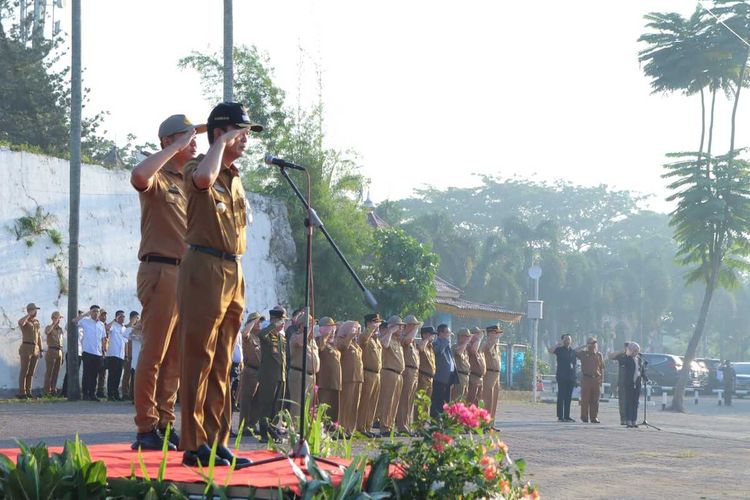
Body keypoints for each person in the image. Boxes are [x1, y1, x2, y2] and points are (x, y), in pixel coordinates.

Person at [177, 102, 262, 468]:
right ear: (219, 134)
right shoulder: (198, 166)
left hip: (233, 270)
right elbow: (202, 181)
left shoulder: (237, 177)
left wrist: (226, 142)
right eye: (238, 132)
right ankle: (194, 445)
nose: (245, 139)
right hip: (204, 264)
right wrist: (217, 142)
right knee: (200, 357)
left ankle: (218, 440)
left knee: (225, 361)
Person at [131, 114, 202, 451]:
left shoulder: (190, 180)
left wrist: (200, 131)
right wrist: (175, 144)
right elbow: (139, 175)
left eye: (193, 137)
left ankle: (164, 422)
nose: (193, 142)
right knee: (155, 352)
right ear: (167, 142)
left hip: (186, 275)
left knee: (175, 357)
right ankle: (145, 426)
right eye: (185, 137)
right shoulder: (158, 177)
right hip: (160, 271)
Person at [251, 307, 288, 441]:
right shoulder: (268, 335)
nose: (283, 323)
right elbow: (260, 335)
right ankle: (264, 431)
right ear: (274, 320)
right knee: (266, 404)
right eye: (281, 320)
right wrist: (273, 325)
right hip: (268, 376)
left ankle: (272, 429)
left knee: (276, 406)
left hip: (280, 376)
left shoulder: (281, 338)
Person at [375, 315, 405, 436]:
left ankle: (390, 425)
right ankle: (384, 427)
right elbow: (384, 344)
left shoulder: (398, 341)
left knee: (394, 402)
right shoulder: (387, 337)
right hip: (389, 373)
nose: (402, 329)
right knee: (387, 401)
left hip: (398, 375)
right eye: (399, 326)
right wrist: (390, 331)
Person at [287, 312, 318, 428]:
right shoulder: (296, 336)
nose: (312, 327)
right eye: (310, 324)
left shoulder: (312, 340)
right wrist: (307, 329)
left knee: (308, 406)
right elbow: (300, 342)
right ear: (301, 326)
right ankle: (295, 430)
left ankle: (304, 429)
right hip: (299, 374)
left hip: (311, 376)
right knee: (297, 405)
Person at [356, 313, 383, 436]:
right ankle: (361, 427)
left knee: (373, 402)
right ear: (368, 324)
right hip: (367, 372)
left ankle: (368, 426)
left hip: (377, 374)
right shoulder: (364, 337)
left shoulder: (376, 340)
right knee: (365, 402)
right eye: (375, 323)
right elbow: (363, 339)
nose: (378, 326)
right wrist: (371, 328)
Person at [396, 315, 421, 435]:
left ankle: (407, 424)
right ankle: (401, 425)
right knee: (404, 399)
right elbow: (406, 341)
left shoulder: (413, 341)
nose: (416, 327)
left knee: (410, 400)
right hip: (407, 371)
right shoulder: (403, 337)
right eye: (414, 325)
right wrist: (415, 329)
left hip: (414, 372)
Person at [337, 320, 364, 435]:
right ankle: (342, 428)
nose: (357, 332)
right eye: (355, 329)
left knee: (354, 405)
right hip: (348, 377)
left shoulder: (355, 343)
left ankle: (350, 429)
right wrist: (349, 336)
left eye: (358, 329)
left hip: (358, 377)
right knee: (345, 404)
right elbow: (342, 347)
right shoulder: (342, 340)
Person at [237, 312, 262, 434]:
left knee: (257, 402)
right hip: (249, 371)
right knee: (246, 401)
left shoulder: (259, 337)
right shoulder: (249, 336)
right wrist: (253, 321)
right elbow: (244, 333)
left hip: (259, 372)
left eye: (260, 322)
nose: (259, 324)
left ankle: (252, 425)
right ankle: (244, 427)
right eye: (257, 322)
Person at [75, 306, 106, 401]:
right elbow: (74, 321)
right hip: (88, 352)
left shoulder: (101, 324)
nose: (95, 313)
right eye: (93, 311)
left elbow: (103, 338)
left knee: (95, 374)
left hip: (98, 353)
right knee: (86, 373)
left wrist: (104, 350)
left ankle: (92, 394)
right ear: (90, 312)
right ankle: (85, 394)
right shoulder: (85, 321)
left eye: (97, 311)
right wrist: (85, 314)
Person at [316, 317, 341, 423]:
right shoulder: (319, 341)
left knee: (333, 409)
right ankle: (322, 428)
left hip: (334, 382)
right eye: (330, 328)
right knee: (323, 408)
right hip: (324, 382)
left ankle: (331, 428)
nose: (333, 330)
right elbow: (320, 348)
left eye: (333, 328)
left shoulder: (333, 344)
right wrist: (324, 336)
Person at [548, 334, 577, 422]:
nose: (567, 341)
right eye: (566, 339)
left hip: (570, 377)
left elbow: (574, 365)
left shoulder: (572, 351)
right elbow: (550, 350)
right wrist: (558, 344)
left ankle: (567, 416)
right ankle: (560, 416)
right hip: (562, 377)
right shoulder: (559, 350)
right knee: (561, 396)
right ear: (563, 340)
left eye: (569, 339)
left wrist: (575, 377)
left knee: (568, 397)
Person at [576, 337, 604, 423]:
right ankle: (584, 417)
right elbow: (574, 351)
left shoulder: (599, 355)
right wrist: (585, 345)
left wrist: (602, 380)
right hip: (586, 378)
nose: (593, 345)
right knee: (585, 399)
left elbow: (602, 368)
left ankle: (594, 417)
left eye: (594, 343)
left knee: (595, 400)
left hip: (596, 379)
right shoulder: (583, 353)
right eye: (591, 343)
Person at [17, 303, 43, 399]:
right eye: (33, 310)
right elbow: (20, 322)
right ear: (29, 310)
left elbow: (39, 336)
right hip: (26, 347)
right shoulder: (25, 321)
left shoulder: (36, 322)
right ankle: (21, 392)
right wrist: (29, 315)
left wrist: (41, 349)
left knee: (31, 372)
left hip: (35, 348)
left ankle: (28, 391)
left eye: (35, 310)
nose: (35, 312)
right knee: (24, 370)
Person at [430, 324, 456, 418]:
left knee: (446, 401)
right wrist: (444, 342)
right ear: (440, 333)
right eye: (447, 332)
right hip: (439, 378)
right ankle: (436, 422)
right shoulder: (436, 343)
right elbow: (437, 352)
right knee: (437, 401)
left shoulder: (446, 344)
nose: (449, 335)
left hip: (448, 378)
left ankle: (443, 421)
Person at [482, 325, 503, 428]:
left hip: (496, 375)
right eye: (496, 333)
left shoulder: (496, 345)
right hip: (489, 374)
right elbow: (487, 350)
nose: (498, 335)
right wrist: (493, 340)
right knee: (487, 399)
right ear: (490, 333)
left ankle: (491, 423)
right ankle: (485, 423)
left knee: (494, 400)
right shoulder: (487, 344)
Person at [622, 342, 647, 428]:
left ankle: (634, 421)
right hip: (629, 383)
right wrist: (627, 354)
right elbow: (623, 362)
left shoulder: (639, 359)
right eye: (634, 350)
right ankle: (628, 421)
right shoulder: (627, 359)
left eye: (637, 351)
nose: (635, 352)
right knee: (629, 402)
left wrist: (645, 378)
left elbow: (642, 371)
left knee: (635, 403)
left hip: (637, 383)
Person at [106, 310, 129, 401]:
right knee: (112, 375)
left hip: (121, 355)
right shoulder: (113, 326)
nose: (122, 318)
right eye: (120, 316)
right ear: (116, 317)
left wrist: (126, 355)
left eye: (123, 316)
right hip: (113, 354)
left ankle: (116, 394)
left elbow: (126, 342)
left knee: (118, 376)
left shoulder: (124, 328)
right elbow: (107, 327)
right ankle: (110, 394)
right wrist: (114, 320)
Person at [607, 342, 630, 425]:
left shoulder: (635, 356)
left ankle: (630, 419)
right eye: (627, 347)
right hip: (622, 382)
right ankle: (623, 419)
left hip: (631, 383)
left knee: (630, 402)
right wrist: (621, 351)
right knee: (622, 402)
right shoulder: (621, 356)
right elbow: (610, 356)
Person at [43, 310, 64, 396]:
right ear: (53, 318)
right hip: (51, 350)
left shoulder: (60, 329)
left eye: (59, 318)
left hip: (59, 351)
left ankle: (53, 389)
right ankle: (46, 391)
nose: (59, 320)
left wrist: (62, 354)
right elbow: (47, 332)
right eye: (57, 318)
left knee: (56, 372)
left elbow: (61, 342)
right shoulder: (49, 327)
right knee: (49, 372)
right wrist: (53, 324)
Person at [416, 326, 437, 413]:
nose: (433, 336)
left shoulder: (430, 347)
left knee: (426, 403)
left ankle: (423, 423)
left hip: (430, 378)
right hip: (423, 376)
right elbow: (420, 348)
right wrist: (426, 339)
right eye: (431, 334)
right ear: (424, 335)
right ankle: (418, 423)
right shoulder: (422, 344)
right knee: (420, 402)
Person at [121, 311, 140, 401]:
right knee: (132, 378)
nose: (138, 321)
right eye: (137, 318)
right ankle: (132, 396)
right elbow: (124, 334)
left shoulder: (144, 332)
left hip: (143, 361)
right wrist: (133, 325)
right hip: (135, 361)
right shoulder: (132, 333)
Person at [451, 328, 472, 401]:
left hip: (465, 377)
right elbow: (458, 352)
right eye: (467, 337)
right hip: (459, 376)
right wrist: (465, 342)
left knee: (462, 401)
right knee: (456, 400)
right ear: (460, 337)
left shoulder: (465, 350)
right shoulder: (455, 347)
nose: (469, 339)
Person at [467, 327, 486, 406]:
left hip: (480, 378)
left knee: (477, 402)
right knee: (471, 401)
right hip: (473, 377)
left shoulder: (478, 347)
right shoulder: (469, 345)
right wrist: (478, 339)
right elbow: (473, 351)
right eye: (478, 334)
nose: (480, 336)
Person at [96, 310, 110, 399]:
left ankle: (100, 391)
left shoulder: (106, 326)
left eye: (105, 316)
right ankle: (94, 390)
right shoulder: (97, 325)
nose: (104, 317)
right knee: (95, 372)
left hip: (105, 352)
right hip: (98, 351)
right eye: (102, 315)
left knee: (103, 373)